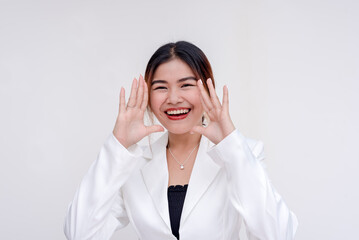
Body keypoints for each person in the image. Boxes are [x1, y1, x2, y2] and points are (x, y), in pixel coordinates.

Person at [64, 41, 298, 240]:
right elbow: (78, 233)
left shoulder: (244, 153)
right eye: (161, 88)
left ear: (207, 88)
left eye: (185, 85)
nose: (173, 98)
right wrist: (118, 146)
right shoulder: (132, 162)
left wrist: (231, 145)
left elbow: (277, 233)